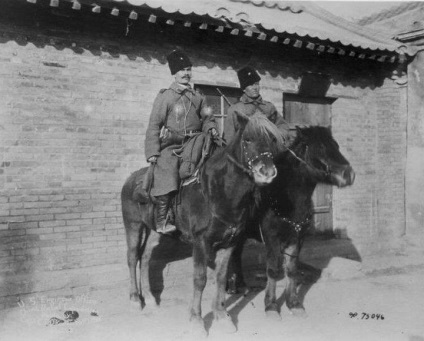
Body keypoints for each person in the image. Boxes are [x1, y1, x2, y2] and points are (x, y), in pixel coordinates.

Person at [144, 49, 219, 234]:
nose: (186, 73)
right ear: (174, 73)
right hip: (173, 144)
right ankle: (162, 219)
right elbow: (154, 125)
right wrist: (153, 152)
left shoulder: (199, 97)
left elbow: (208, 116)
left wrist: (211, 127)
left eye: (188, 69)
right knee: (167, 172)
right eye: (182, 70)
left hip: (195, 141)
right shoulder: (166, 97)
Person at [223, 66, 290, 143]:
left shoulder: (269, 107)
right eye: (251, 85)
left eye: (256, 84)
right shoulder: (235, 109)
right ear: (244, 89)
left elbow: (282, 125)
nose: (255, 87)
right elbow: (229, 137)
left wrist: (278, 136)